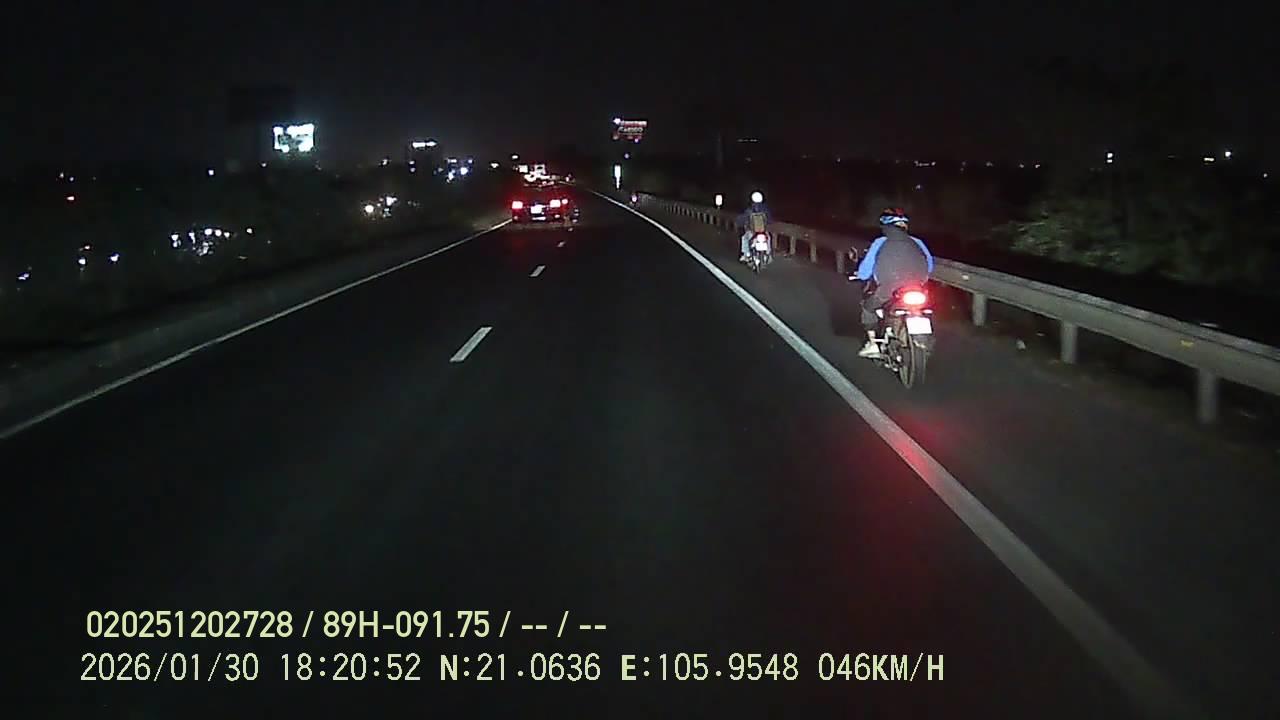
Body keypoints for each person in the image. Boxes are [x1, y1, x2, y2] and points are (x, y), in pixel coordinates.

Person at [855, 208, 934, 357]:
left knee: (868, 307)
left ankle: (873, 344)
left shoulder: (880, 242)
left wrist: (860, 275)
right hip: (918, 289)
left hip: (889, 289)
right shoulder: (917, 242)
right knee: (925, 309)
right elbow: (929, 265)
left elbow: (865, 271)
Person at [737, 191, 772, 262]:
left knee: (744, 238)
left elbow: (742, 219)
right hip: (763, 231)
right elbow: (770, 220)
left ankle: (746, 254)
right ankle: (768, 254)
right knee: (768, 238)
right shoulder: (765, 209)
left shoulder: (749, 209)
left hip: (752, 231)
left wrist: (740, 223)